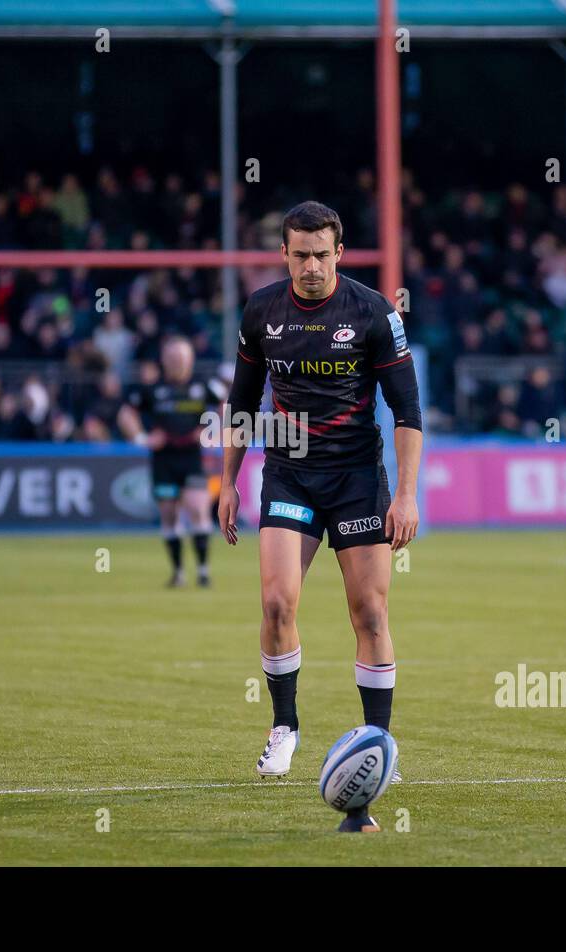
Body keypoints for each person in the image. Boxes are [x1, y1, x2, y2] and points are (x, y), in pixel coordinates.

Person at [218, 201, 422, 819]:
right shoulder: (261, 311)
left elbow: (408, 412)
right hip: (288, 472)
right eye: (300, 253)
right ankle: (284, 728)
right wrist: (227, 482)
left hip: (358, 478)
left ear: (340, 253)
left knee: (370, 611)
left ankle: (377, 739)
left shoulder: (374, 313)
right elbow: (242, 400)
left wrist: (407, 495)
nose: (311, 265)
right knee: (277, 601)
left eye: (322, 254)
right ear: (284, 254)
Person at [119, 336, 224, 587]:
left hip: (192, 457)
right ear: (164, 360)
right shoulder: (152, 389)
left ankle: (203, 570)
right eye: (173, 358)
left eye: (182, 358)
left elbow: (228, 409)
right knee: (168, 513)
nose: (178, 362)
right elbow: (126, 414)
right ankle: (178, 572)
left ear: (190, 360)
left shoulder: (204, 386)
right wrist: (142, 438)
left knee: (198, 508)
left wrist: (210, 432)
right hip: (163, 459)